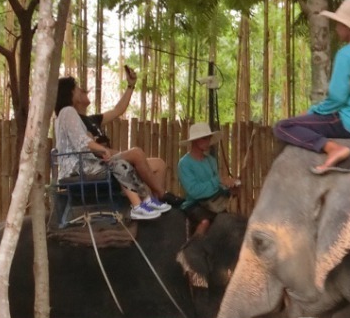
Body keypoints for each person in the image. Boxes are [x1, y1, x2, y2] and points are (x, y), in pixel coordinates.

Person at [273, 0, 350, 173]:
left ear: (349, 28)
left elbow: (336, 99)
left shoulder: (347, 54)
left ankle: (332, 148)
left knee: (283, 126)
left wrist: (311, 112)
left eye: (339, 24)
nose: (336, 28)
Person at [54, 70, 172, 221]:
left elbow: (117, 110)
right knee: (121, 162)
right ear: (69, 92)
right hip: (78, 166)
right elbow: (82, 142)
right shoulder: (68, 112)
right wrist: (102, 149)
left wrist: (130, 86)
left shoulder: (79, 117)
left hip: (86, 162)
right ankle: (141, 204)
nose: (80, 90)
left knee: (152, 163)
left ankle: (148, 200)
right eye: (77, 88)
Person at [178, 121, 241, 234]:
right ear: (196, 140)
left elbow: (216, 187)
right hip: (194, 205)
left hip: (213, 204)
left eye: (209, 138)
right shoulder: (184, 163)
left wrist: (229, 190)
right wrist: (218, 181)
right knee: (205, 222)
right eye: (205, 138)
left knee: (231, 224)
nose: (209, 142)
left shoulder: (211, 161)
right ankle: (193, 248)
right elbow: (194, 191)